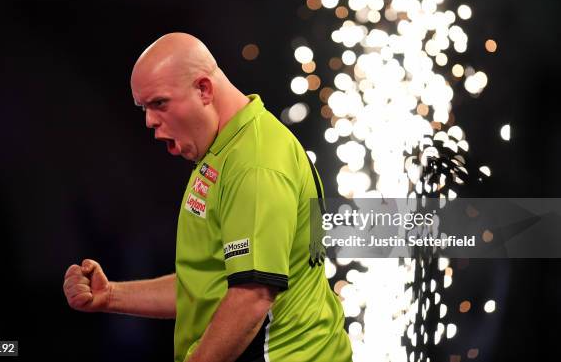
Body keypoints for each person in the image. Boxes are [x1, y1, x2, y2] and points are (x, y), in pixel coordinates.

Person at [63, 32, 352, 362]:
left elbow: (251, 297)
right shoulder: (226, 150)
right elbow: (208, 284)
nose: (149, 121)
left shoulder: (255, 163)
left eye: (159, 103)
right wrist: (111, 295)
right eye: (143, 107)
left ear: (204, 89)